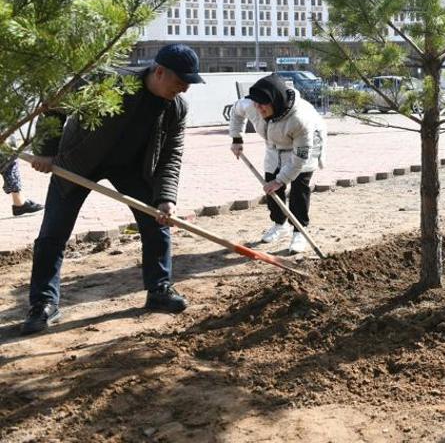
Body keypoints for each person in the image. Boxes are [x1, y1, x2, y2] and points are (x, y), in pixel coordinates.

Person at [20, 44, 204, 335]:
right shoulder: (109, 82)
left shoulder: (176, 107)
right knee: (53, 233)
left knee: (157, 222)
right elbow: (55, 104)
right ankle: (43, 303)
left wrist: (166, 198)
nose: (184, 90)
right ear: (159, 72)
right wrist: (46, 151)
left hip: (131, 167)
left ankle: (159, 289)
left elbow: (171, 154)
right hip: (78, 162)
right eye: (180, 82)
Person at [229, 74, 326, 254]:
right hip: (275, 147)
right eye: (256, 103)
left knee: (299, 190)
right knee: (271, 187)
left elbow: (299, 159)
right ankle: (279, 224)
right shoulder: (253, 105)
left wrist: (281, 179)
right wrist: (236, 138)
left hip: (306, 148)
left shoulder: (300, 119)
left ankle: (299, 232)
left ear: (276, 101)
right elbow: (236, 111)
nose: (258, 108)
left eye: (263, 104)